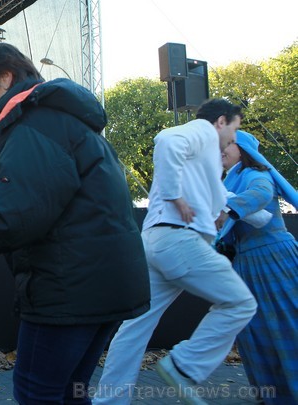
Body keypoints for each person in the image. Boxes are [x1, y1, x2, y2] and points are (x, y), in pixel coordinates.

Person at [0, 43, 150, 404]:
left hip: (69, 286)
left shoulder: (33, 124)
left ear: (5, 78)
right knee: (70, 391)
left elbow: (14, 216)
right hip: (100, 281)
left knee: (37, 392)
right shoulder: (59, 120)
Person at [94, 98, 257, 405]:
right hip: (180, 242)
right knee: (241, 303)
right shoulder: (204, 132)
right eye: (235, 129)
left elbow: (225, 199)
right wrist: (174, 195)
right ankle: (184, 366)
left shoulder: (205, 160)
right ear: (221, 121)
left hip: (157, 242)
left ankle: (108, 401)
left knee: (134, 328)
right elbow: (167, 140)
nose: (234, 139)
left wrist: (226, 210)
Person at [219, 130, 298, 404]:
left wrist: (227, 206)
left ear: (244, 150)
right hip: (249, 263)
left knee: (287, 325)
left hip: (274, 259)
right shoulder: (232, 178)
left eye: (227, 144)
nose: (221, 150)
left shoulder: (256, 175)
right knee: (256, 331)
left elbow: (261, 194)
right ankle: (274, 394)